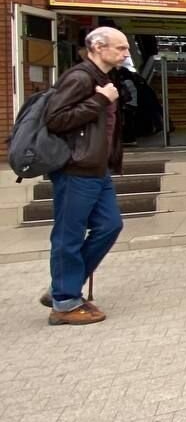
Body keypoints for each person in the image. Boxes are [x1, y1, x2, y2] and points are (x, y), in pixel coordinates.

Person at [40, 27, 129, 325]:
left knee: (110, 225)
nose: (125, 53)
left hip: (97, 169)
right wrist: (100, 101)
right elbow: (55, 120)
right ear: (98, 47)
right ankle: (64, 303)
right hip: (75, 169)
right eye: (120, 48)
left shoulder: (103, 79)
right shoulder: (79, 78)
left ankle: (63, 285)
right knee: (69, 235)